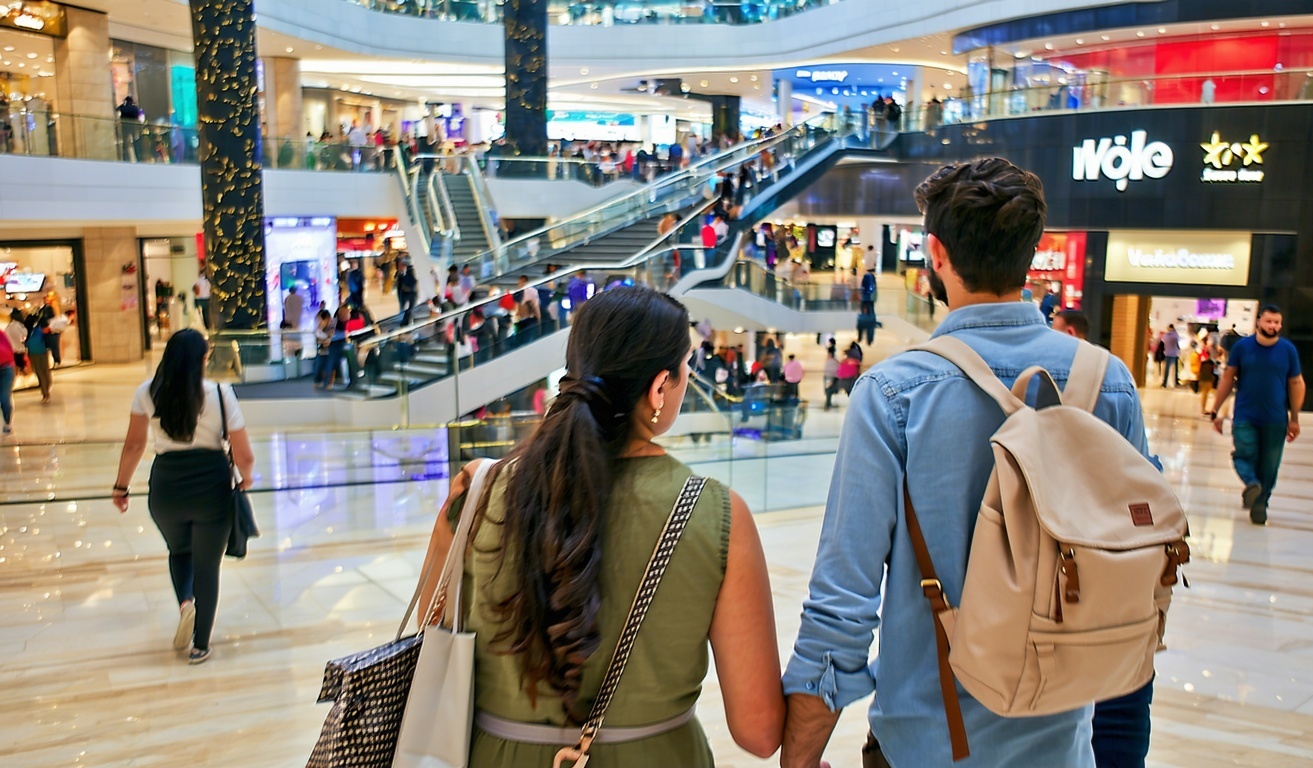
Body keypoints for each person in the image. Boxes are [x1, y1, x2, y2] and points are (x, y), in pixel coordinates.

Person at [782, 158, 1156, 768]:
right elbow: (1135, 565)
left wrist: (799, 754)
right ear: (1031, 254)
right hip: (1062, 744)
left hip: (924, 746)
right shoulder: (1107, 383)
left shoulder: (894, 394)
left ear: (935, 253)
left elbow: (843, 600)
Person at [413, 286, 783, 765]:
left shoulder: (476, 495)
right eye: (686, 367)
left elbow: (432, 647)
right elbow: (759, 731)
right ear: (658, 388)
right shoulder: (715, 513)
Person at [112, 329, 255, 665]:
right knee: (208, 565)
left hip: (166, 488)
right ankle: (200, 645)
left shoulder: (146, 393)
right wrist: (246, 479)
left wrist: (121, 487)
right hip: (212, 487)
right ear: (203, 359)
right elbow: (244, 454)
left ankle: (185, 603)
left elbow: (134, 445)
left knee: (179, 551)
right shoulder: (220, 393)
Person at [1208, 305, 1305, 525]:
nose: (1273, 326)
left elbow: (1296, 383)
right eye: (1269, 321)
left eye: (1277, 322)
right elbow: (1227, 378)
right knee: (1244, 453)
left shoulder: (1288, 350)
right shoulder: (1243, 347)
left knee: (1269, 466)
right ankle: (1252, 484)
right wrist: (1215, 410)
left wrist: (1295, 418)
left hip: (1276, 418)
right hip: (1245, 416)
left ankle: (1260, 502)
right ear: (1259, 321)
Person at [26, 316, 52, 404]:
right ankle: (46, 392)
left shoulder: (31, 330)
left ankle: (45, 392)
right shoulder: (37, 329)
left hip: (35, 352)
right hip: (40, 351)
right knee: (43, 372)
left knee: (41, 372)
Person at [396, 260, 419, 326]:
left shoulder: (411, 271)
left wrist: (407, 288)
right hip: (406, 293)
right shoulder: (402, 273)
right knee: (405, 309)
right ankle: (405, 322)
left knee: (409, 310)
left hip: (411, 293)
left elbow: (414, 282)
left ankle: (408, 323)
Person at [0, 329, 14, 434]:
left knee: (4, 397)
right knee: (5, 397)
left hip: (6, 368)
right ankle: (7, 423)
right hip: (7, 367)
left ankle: (7, 423)